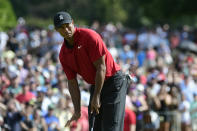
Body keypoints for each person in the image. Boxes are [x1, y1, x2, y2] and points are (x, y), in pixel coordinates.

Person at [53, 11, 130, 131]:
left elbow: (101, 67)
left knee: (111, 128)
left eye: (67, 25)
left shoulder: (89, 36)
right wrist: (77, 111)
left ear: (73, 23)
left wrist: (96, 96)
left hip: (114, 83)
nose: (66, 29)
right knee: (95, 128)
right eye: (61, 28)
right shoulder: (63, 54)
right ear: (56, 30)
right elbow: (72, 83)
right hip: (96, 84)